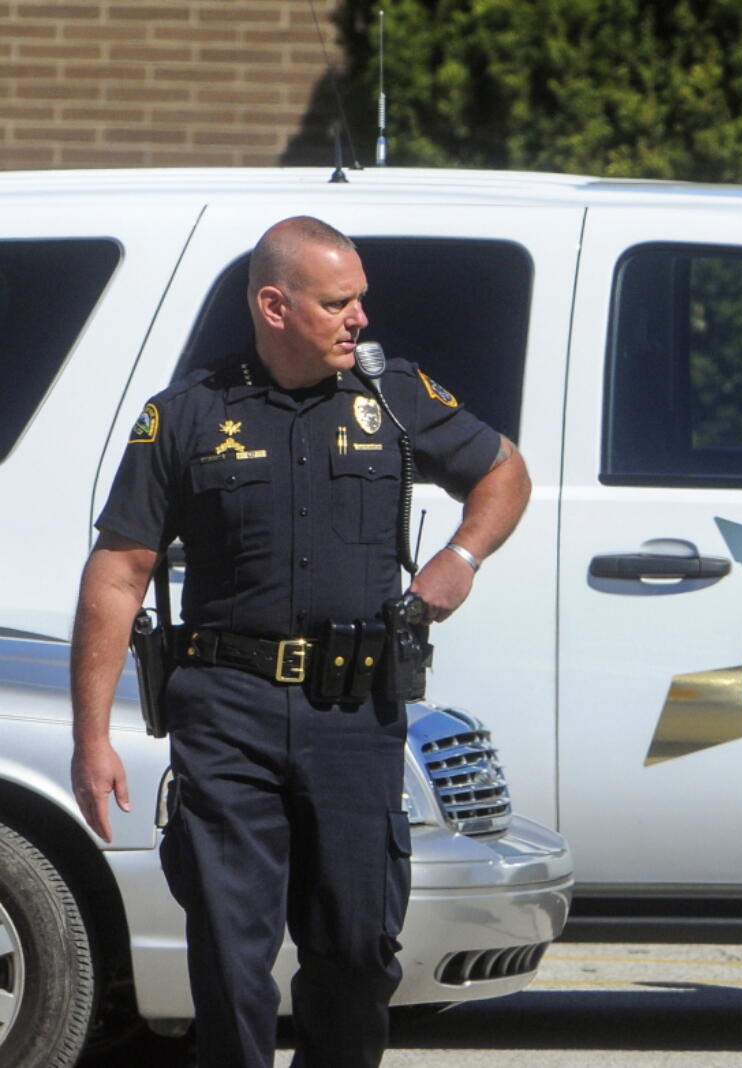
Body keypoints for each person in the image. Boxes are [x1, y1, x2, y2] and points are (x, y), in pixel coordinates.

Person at [69, 215, 530, 1068]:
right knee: (230, 963)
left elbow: (504, 469)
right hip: (227, 713)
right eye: (338, 303)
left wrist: (461, 557)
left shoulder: (395, 397)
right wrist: (91, 736)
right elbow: (118, 570)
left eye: (360, 300)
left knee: (356, 955)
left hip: (354, 717)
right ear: (274, 306)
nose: (360, 319)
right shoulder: (185, 416)